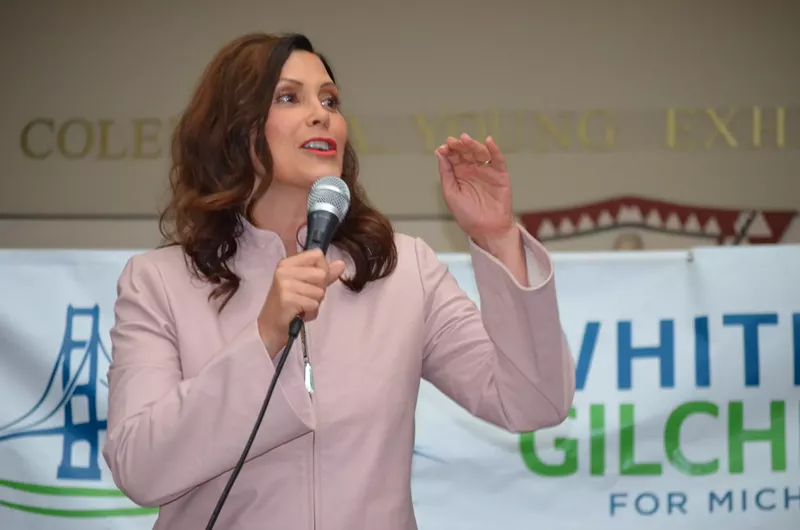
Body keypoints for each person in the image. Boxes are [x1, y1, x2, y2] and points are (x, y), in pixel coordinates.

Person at [102, 32, 575, 530]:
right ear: (234, 130)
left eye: (329, 100)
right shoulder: (159, 282)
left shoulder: (403, 269)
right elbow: (140, 467)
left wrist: (498, 237)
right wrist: (263, 337)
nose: (321, 114)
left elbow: (533, 402)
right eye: (289, 97)